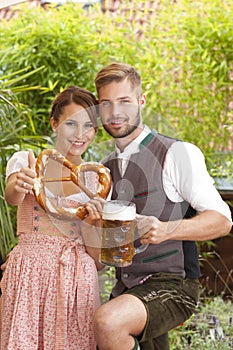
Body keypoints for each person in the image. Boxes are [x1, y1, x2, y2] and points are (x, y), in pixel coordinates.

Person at [92, 63, 232, 350]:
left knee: (108, 322)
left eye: (124, 101)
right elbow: (100, 258)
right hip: (127, 287)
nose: (115, 112)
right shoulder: (104, 168)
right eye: (106, 103)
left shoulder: (177, 152)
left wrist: (166, 229)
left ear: (141, 101)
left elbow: (222, 220)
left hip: (174, 284)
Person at [0, 86, 105, 350]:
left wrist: (94, 223)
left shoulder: (96, 179)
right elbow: (12, 195)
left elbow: (97, 256)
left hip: (77, 277)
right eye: (71, 123)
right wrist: (20, 183)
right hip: (29, 273)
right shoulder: (27, 161)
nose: (80, 135)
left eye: (88, 126)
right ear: (55, 122)